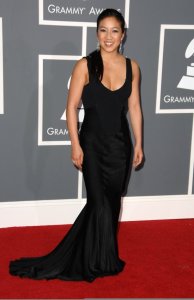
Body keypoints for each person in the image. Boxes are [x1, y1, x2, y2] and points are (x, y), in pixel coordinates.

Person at [9, 8, 143, 283]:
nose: (108, 36)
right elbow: (71, 107)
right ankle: (86, 259)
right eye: (103, 30)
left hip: (120, 146)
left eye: (114, 30)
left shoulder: (133, 67)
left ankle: (105, 259)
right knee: (98, 204)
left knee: (112, 203)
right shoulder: (85, 65)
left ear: (123, 35)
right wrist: (75, 144)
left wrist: (139, 143)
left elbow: (135, 107)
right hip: (92, 144)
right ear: (96, 33)